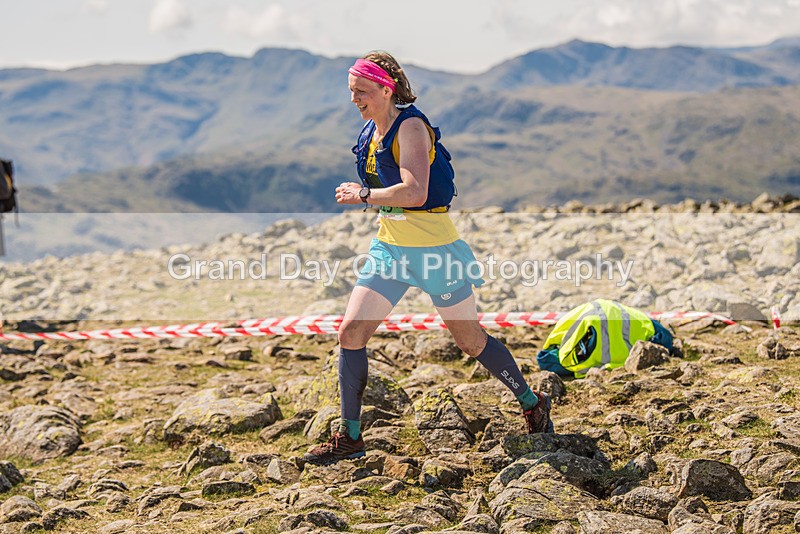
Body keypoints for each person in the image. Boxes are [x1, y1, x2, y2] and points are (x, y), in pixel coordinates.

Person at [303, 51, 554, 465]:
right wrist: (372, 199)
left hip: (436, 251)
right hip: (391, 249)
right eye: (351, 92)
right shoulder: (372, 130)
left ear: (386, 89)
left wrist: (363, 195)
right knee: (350, 333)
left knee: (470, 342)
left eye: (362, 92)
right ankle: (349, 437)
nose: (355, 100)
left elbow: (416, 192)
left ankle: (531, 401)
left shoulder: (412, 127)